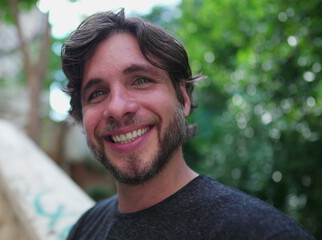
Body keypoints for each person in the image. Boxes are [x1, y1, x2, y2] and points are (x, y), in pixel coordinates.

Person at [61, 9, 314, 240]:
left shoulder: (260, 232)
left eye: (140, 80)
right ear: (82, 117)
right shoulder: (85, 229)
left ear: (182, 98)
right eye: (97, 93)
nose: (117, 107)